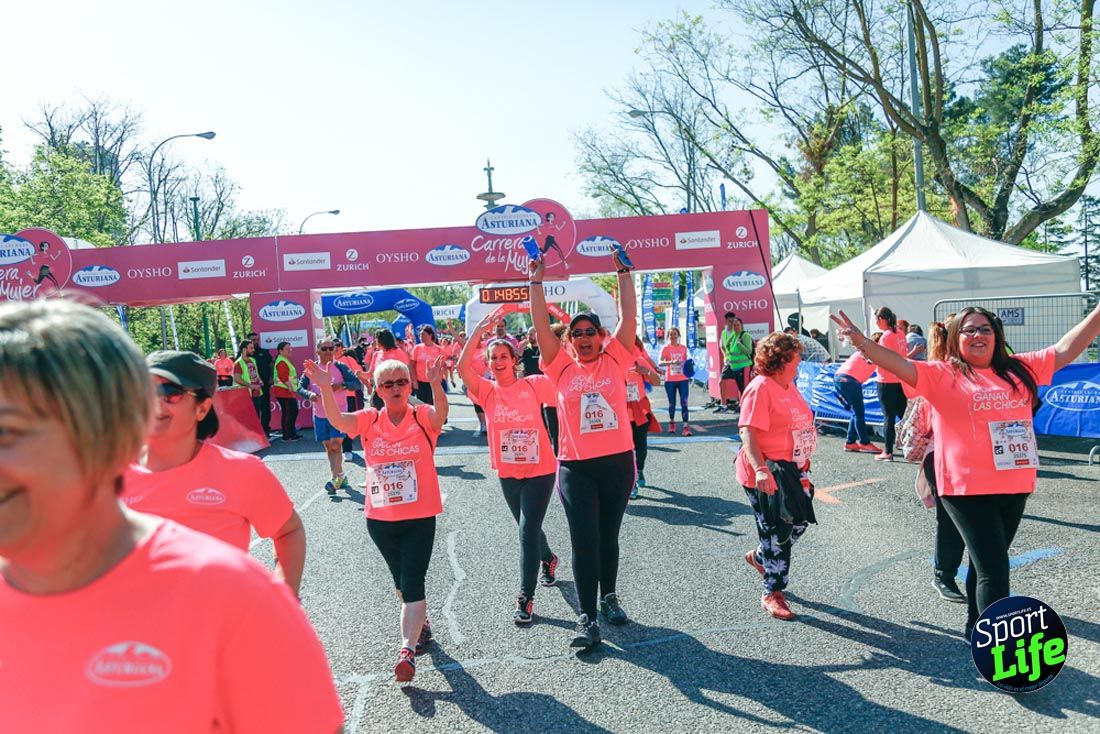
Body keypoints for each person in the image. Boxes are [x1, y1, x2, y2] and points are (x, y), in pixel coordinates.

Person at [0, 300, 342, 733]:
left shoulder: (235, 594)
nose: (155, 404)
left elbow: (288, 530)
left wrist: (284, 594)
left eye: (10, 431)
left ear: (99, 431)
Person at [832, 302, 1100, 640]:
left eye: (985, 329)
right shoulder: (942, 374)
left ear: (996, 336)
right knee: (995, 569)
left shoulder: (1020, 369)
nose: (977, 335)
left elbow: (1066, 348)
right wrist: (861, 341)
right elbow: (898, 364)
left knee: (985, 561)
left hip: (1014, 484)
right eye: (969, 330)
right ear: (956, 338)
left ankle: (975, 628)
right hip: (964, 489)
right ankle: (998, 646)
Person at [306, 352, 448, 683]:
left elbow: (440, 415)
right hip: (381, 520)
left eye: (401, 382)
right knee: (400, 582)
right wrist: (326, 388)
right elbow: (338, 421)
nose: (395, 388)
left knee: (413, 581)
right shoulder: (370, 420)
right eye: (388, 384)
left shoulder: (421, 416)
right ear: (378, 389)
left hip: (420, 515)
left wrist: (436, 384)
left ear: (409, 386)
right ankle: (420, 622)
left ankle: (406, 651)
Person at [123, 350, 307, 597]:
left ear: (202, 408)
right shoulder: (105, 475)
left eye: (170, 393)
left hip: (224, 619)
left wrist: (285, 598)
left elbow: (288, 531)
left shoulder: (242, 471)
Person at [528, 249, 637, 650]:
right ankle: (587, 618)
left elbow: (629, 318)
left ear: (601, 337)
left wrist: (624, 275)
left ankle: (609, 597)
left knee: (608, 536)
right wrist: (535, 281)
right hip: (576, 467)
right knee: (584, 539)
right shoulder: (559, 367)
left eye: (591, 331)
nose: (585, 337)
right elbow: (541, 325)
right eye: (577, 333)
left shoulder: (616, 360)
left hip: (617, 464)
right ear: (569, 341)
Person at [458, 309, 561, 625]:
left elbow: (564, 387)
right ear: (488, 363)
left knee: (526, 530)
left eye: (504, 356)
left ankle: (525, 598)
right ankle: (548, 558)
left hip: (540, 470)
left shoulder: (534, 385)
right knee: (528, 527)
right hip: (508, 472)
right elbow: (462, 368)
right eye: (493, 358)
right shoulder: (486, 391)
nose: (499, 361)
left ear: (515, 359)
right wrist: (478, 331)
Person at [736, 332, 816, 621]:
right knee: (776, 531)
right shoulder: (761, 388)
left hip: (792, 468)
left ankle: (761, 556)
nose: (800, 361)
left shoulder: (788, 385)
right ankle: (772, 592)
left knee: (799, 522)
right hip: (766, 470)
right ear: (782, 360)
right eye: (796, 356)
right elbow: (747, 430)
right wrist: (761, 469)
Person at [918, 320, 966, 603]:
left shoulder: (979, 371)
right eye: (969, 331)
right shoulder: (940, 372)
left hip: (973, 459)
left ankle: (973, 581)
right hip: (943, 457)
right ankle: (943, 576)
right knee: (951, 521)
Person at [297, 337, 361, 495]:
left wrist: (342, 385)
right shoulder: (312, 368)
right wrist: (310, 394)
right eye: (324, 349)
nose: (328, 352)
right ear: (317, 350)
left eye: (330, 348)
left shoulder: (340, 366)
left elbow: (357, 384)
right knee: (329, 448)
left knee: (336, 445)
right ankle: (339, 476)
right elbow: (300, 388)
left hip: (339, 413)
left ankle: (335, 479)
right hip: (319, 414)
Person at [834, 332, 881, 453]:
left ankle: (850, 442)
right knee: (859, 413)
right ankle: (864, 443)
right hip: (850, 380)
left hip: (841, 378)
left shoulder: (865, 350)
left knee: (856, 413)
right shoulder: (874, 353)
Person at [873, 306, 909, 461]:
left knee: (888, 417)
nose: (876, 323)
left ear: (882, 319)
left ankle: (888, 451)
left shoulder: (886, 336)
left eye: (877, 320)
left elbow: (883, 359)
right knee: (904, 415)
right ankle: (913, 445)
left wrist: (872, 359)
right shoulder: (900, 333)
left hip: (886, 380)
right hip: (900, 378)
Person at [628, 336, 662, 499]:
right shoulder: (611, 361)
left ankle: (639, 469)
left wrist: (646, 372)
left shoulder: (639, 360)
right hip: (619, 412)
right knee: (625, 451)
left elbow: (657, 381)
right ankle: (632, 482)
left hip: (639, 409)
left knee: (641, 448)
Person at [362, 329, 409, 410]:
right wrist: (360, 374)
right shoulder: (376, 354)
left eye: (376, 339)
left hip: (395, 389)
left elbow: (405, 371)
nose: (375, 341)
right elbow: (371, 374)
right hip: (379, 390)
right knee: (378, 413)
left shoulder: (398, 352)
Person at [717, 313, 754, 413]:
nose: (735, 326)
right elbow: (725, 346)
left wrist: (739, 344)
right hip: (733, 365)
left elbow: (749, 351)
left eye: (737, 325)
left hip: (744, 366)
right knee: (738, 386)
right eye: (734, 325)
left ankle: (747, 408)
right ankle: (730, 405)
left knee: (744, 388)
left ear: (742, 326)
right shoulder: (730, 334)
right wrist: (726, 356)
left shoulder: (745, 335)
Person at [659, 327, 692, 436]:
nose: (673, 336)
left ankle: (686, 427)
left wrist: (688, 365)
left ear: (678, 336)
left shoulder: (683, 348)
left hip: (683, 379)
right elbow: (660, 362)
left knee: (684, 402)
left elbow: (689, 361)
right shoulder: (665, 348)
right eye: (670, 335)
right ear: (668, 336)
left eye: (675, 334)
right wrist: (671, 362)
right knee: (672, 403)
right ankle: (672, 422)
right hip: (670, 380)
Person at [272, 341, 302, 441]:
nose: (290, 350)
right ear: (280, 351)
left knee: (292, 412)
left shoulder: (284, 359)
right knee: (288, 413)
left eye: (290, 348)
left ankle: (291, 433)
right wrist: (289, 386)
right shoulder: (281, 361)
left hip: (287, 391)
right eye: (287, 349)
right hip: (283, 391)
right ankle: (287, 435)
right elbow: (283, 376)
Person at [247, 332, 274, 436]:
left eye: (257, 340)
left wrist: (271, 378)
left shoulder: (264, 352)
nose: (256, 342)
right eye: (253, 340)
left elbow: (271, 365)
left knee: (265, 407)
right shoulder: (244, 354)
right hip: (251, 387)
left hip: (264, 385)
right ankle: (255, 431)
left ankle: (265, 429)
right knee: (254, 409)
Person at [410, 325, 445, 406]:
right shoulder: (417, 348)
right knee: (421, 406)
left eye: (423, 334)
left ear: (430, 335)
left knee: (434, 405)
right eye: (420, 335)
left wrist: (439, 380)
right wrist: (414, 381)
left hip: (434, 382)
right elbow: (412, 366)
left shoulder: (439, 349)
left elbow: (442, 367)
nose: (421, 337)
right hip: (420, 382)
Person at [232, 339, 264, 425]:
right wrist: (251, 386)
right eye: (251, 348)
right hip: (245, 395)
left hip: (256, 393)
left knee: (257, 417)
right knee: (248, 419)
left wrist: (260, 380)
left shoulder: (253, 360)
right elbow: (237, 379)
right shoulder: (238, 363)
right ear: (244, 349)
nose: (253, 350)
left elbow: (255, 374)